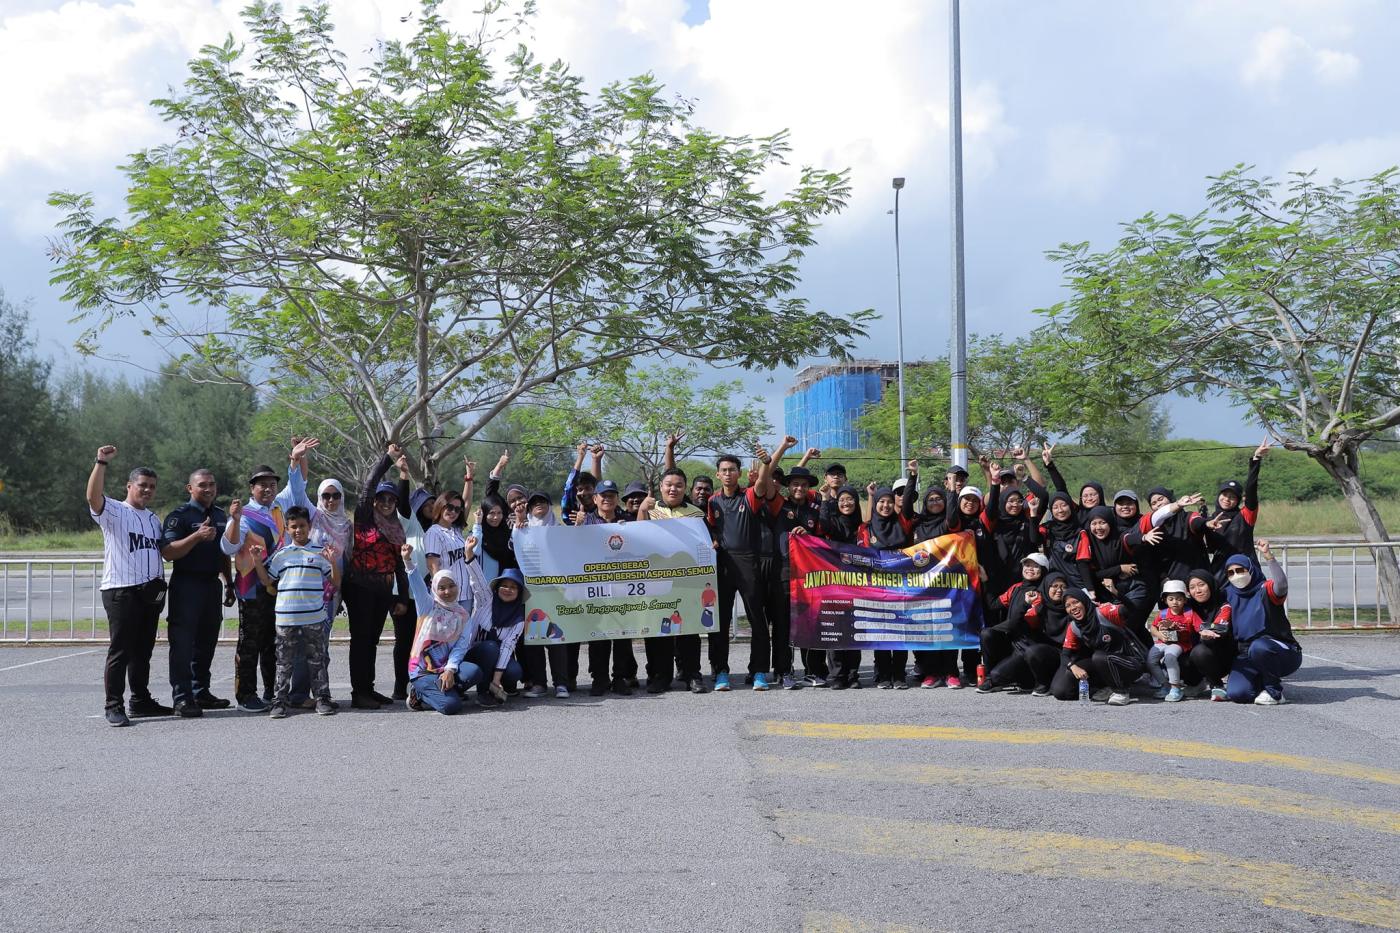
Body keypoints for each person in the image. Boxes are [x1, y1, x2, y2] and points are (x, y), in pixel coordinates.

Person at [219, 439, 316, 712]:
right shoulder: (245, 515)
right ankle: (245, 695)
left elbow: (298, 486)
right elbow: (228, 547)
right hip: (251, 588)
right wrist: (235, 520)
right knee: (250, 643)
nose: (268, 489)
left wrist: (296, 460)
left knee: (274, 643)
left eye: (272, 484)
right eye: (262, 484)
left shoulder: (280, 506)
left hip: (277, 586)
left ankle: (272, 691)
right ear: (252, 488)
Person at [88, 445, 169, 727]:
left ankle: (140, 700)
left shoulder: (153, 519)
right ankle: (113, 705)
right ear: (129, 486)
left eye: (152, 486)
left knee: (143, 651)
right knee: (120, 651)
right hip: (121, 590)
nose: (147, 490)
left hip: (149, 593)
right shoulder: (114, 510)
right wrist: (101, 463)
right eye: (142, 485)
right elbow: (93, 497)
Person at [249, 506, 339, 718]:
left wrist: (333, 562)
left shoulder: (320, 552)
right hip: (286, 618)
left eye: (302, 526)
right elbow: (267, 580)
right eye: (293, 527)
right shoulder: (281, 555)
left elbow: (335, 582)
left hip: (314, 617)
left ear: (309, 526)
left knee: (317, 661)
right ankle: (279, 701)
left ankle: (322, 699)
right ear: (287, 529)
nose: (298, 530)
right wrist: (256, 561)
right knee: (284, 662)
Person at [338, 445, 409, 709]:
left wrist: (402, 597)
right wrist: (387, 459)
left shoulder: (396, 527)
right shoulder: (365, 518)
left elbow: (399, 565)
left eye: (391, 500)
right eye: (382, 499)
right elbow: (369, 486)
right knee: (361, 640)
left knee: (373, 640)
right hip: (360, 586)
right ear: (375, 501)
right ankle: (359, 693)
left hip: (383, 590)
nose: (387, 503)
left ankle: (368, 688)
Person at [160, 468, 235, 716]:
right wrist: (196, 536)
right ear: (190, 488)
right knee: (183, 644)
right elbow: (168, 552)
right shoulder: (179, 516)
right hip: (187, 585)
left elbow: (223, 553)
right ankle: (182, 698)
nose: (208, 489)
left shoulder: (220, 515)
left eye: (212, 484)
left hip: (211, 585)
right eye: (202, 485)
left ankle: (200, 692)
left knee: (206, 642)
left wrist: (229, 583)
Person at [401, 540, 505, 713]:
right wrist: (408, 561)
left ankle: (447, 689)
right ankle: (418, 693)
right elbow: (417, 586)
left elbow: (461, 646)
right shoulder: (427, 606)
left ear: (458, 586)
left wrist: (450, 670)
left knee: (474, 672)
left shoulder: (462, 615)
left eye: (451, 586)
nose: (447, 592)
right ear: (435, 589)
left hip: (446, 667)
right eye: (441, 588)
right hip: (423, 671)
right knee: (451, 706)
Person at [637, 468, 708, 694]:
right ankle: (660, 677)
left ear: (685, 488)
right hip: (656, 580)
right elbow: (638, 538)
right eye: (668, 484)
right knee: (658, 630)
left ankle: (692, 675)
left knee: (689, 629)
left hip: (687, 580)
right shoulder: (650, 509)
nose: (673, 489)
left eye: (678, 485)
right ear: (661, 487)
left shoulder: (696, 513)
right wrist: (642, 510)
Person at [574, 480, 641, 695]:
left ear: (616, 498)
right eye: (603, 495)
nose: (607, 499)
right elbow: (572, 549)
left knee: (622, 636)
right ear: (595, 499)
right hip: (596, 588)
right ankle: (600, 678)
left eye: (611, 495)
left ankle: (619, 678)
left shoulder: (627, 521)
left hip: (623, 589)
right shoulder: (585, 521)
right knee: (598, 636)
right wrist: (576, 528)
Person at [1222, 541, 1300, 705]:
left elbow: (1281, 585)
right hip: (1246, 653)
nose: (1236, 575)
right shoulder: (1228, 594)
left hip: (1279, 650)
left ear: (1250, 569)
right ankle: (1262, 681)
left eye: (1240, 570)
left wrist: (1268, 556)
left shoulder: (1264, 589)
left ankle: (1274, 691)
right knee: (1238, 694)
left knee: (1259, 647)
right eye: (1231, 573)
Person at [1051, 588, 1147, 706]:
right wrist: (1073, 667)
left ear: (1084, 601)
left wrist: (1116, 593)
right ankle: (1103, 688)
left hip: (1132, 663)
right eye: (1068, 606)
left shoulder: (1103, 612)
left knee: (1098, 657)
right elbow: (1065, 654)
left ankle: (1121, 692)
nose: (1073, 607)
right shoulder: (1074, 627)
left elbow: (1131, 609)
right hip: (1105, 664)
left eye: (1076, 602)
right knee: (1061, 691)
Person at [822, 484, 864, 689]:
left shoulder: (862, 528)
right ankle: (837, 675)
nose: (846, 503)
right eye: (842, 500)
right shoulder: (833, 524)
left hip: (857, 585)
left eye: (850, 499)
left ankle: (853, 675)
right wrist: (824, 499)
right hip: (835, 584)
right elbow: (823, 524)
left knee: (854, 629)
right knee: (835, 629)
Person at [1206, 441, 1270, 573]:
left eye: (1232, 497)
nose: (1227, 499)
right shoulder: (1211, 519)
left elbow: (1251, 489)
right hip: (1221, 571)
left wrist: (1256, 459)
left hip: (1245, 570)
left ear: (1238, 500)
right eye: (1224, 495)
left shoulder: (1245, 516)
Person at [1146, 580, 1204, 702]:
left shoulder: (1189, 613)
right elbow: (1153, 627)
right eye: (1171, 599)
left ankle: (1175, 688)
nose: (1175, 602)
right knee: (1151, 660)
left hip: (1179, 643)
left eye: (1179, 599)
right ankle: (1165, 685)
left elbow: (1200, 627)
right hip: (1162, 642)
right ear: (1165, 600)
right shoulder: (1162, 614)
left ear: (1185, 600)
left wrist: (1206, 632)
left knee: (1170, 657)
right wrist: (1160, 635)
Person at [1186, 570, 1234, 701]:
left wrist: (1206, 635)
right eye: (1192, 587)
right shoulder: (1187, 606)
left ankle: (1217, 685)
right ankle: (1196, 683)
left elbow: (1219, 631)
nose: (1197, 590)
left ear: (1211, 585)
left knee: (1199, 652)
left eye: (1201, 585)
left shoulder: (1224, 605)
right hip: (1194, 657)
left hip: (1220, 656)